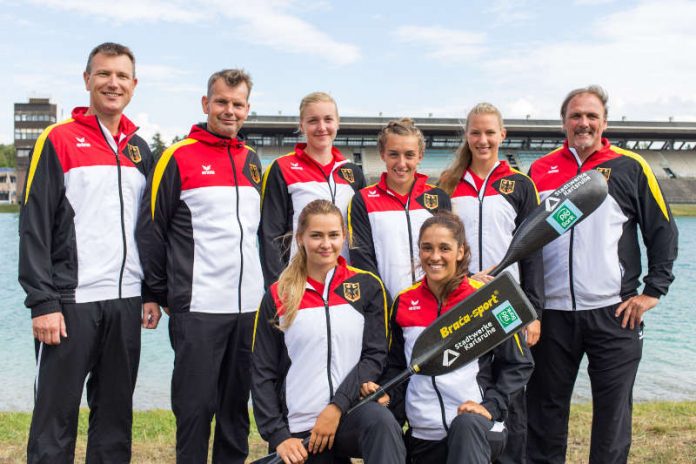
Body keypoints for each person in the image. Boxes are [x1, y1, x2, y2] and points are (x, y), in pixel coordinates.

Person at [18, 42, 160, 463]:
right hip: (69, 303)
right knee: (54, 419)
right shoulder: (57, 139)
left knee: (115, 417)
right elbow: (34, 225)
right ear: (87, 80)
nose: (112, 83)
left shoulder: (140, 150)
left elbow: (147, 229)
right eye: (103, 74)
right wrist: (43, 301)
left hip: (125, 301)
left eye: (121, 76)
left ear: (134, 85)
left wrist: (151, 291)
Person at [526, 85, 679, 464]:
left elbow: (662, 229)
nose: (584, 122)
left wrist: (653, 290)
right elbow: (526, 241)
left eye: (592, 116)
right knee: (545, 413)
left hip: (615, 312)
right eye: (576, 115)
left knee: (612, 418)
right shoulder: (540, 170)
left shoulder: (631, 166)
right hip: (553, 315)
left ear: (604, 122)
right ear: (564, 122)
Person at [136, 69, 264, 463]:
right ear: (206, 104)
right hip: (198, 308)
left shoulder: (253, 160)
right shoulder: (177, 156)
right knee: (194, 410)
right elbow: (151, 229)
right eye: (222, 102)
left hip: (248, 309)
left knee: (235, 412)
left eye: (237, 104)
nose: (229, 110)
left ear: (247, 109)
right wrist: (158, 294)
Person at [251, 199, 406, 464]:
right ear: (300, 238)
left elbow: (375, 356)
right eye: (316, 236)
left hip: (350, 414)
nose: (326, 244)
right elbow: (262, 372)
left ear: (344, 237)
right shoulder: (278, 294)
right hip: (302, 430)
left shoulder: (367, 286)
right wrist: (279, 436)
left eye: (334, 235)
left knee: (381, 422)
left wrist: (337, 406)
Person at [383, 212, 533, 464]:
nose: (435, 256)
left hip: (476, 427)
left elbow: (519, 364)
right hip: (422, 434)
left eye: (445, 248)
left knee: (465, 426)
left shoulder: (489, 299)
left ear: (461, 252)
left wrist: (490, 407)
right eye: (427, 248)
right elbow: (397, 367)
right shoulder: (404, 302)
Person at [439, 103, 544, 463]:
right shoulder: (448, 184)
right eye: (475, 133)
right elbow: (440, 246)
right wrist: (463, 279)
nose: (482, 140)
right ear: (466, 136)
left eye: (489, 132)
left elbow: (533, 251)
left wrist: (533, 312)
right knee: (467, 381)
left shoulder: (520, 184)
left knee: (511, 389)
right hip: (461, 300)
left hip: (509, 304)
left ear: (503, 135)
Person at [259, 92, 365, 288]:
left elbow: (362, 233)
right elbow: (269, 234)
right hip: (298, 282)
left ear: (338, 123)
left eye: (328, 119)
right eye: (313, 120)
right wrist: (277, 286)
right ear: (302, 125)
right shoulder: (282, 168)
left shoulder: (352, 172)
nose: (322, 127)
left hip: (345, 282)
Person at [348, 118, 450, 300]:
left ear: (420, 156)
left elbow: (450, 253)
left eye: (409, 155)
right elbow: (362, 259)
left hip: (434, 306)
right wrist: (383, 302)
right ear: (382, 154)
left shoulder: (438, 198)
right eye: (394, 154)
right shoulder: (362, 200)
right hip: (387, 307)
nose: (402, 163)